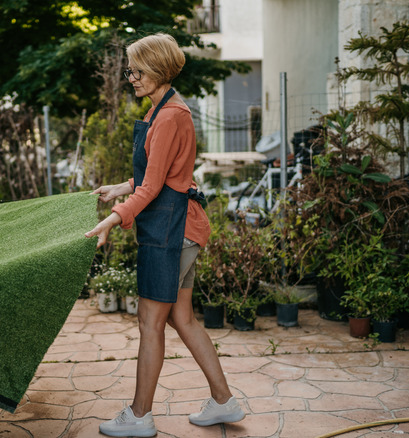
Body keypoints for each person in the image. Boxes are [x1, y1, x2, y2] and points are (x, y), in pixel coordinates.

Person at [84, 33, 245, 437]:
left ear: (155, 69)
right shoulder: (164, 110)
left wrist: (112, 219)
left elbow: (154, 187)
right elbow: (162, 174)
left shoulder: (172, 115)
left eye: (136, 71)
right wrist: (123, 189)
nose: (132, 78)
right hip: (178, 229)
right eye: (130, 71)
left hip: (171, 233)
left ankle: (140, 416)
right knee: (182, 317)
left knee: (149, 321)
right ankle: (225, 402)